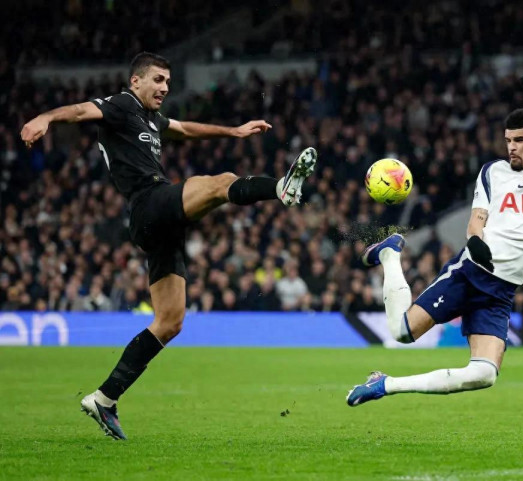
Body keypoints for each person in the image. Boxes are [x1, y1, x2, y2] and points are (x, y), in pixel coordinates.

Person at [20, 52, 318, 439]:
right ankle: (280, 187)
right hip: (147, 204)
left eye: (168, 82)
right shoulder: (121, 104)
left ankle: (104, 398)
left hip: (159, 224)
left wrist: (232, 132)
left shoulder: (151, 119)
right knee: (219, 182)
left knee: (170, 322)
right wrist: (44, 118)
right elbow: (79, 112)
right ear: (136, 81)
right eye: (158, 80)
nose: (164, 88)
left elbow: (184, 129)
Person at [346, 72, 523, 406]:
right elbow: (477, 219)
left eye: (519, 140)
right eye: (508, 140)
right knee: (402, 332)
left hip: (502, 290)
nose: (511, 147)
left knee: (484, 374)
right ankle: (390, 254)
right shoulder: (494, 172)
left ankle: (385, 384)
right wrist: (474, 241)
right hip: (470, 274)